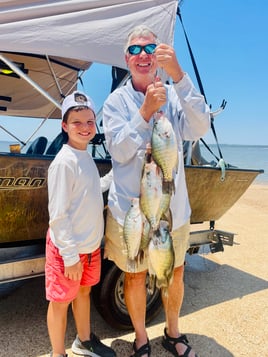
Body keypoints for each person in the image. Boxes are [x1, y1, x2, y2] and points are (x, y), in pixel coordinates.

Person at [102, 25, 210, 357]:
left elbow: (201, 125)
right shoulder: (115, 102)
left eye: (150, 49)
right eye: (135, 51)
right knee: (134, 276)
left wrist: (180, 76)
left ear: (160, 57)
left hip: (173, 211)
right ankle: (140, 336)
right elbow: (118, 152)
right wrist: (145, 111)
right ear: (126, 59)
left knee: (174, 272)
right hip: (131, 213)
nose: (143, 56)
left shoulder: (176, 93)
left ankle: (173, 333)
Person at [45, 91, 116, 357]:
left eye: (89, 122)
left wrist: (114, 175)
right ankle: (57, 353)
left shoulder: (84, 156)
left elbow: (91, 190)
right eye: (77, 122)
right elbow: (59, 215)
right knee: (60, 302)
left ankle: (84, 340)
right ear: (64, 125)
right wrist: (71, 256)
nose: (85, 128)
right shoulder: (63, 162)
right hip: (69, 251)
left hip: (89, 247)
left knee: (84, 292)